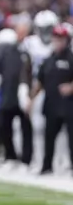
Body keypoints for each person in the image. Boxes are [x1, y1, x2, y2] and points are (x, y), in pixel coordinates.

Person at [0, 28, 33, 170]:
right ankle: (18, 157)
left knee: (16, 128)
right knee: (12, 129)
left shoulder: (21, 55)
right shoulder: (22, 54)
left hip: (13, 96)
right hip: (13, 95)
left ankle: (20, 158)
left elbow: (23, 76)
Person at [30, 25, 73, 175]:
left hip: (69, 105)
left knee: (72, 138)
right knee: (48, 137)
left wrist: (71, 87)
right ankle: (46, 166)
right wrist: (31, 98)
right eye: (56, 39)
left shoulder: (71, 58)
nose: (58, 42)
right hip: (52, 104)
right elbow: (39, 81)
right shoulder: (48, 60)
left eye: (61, 39)